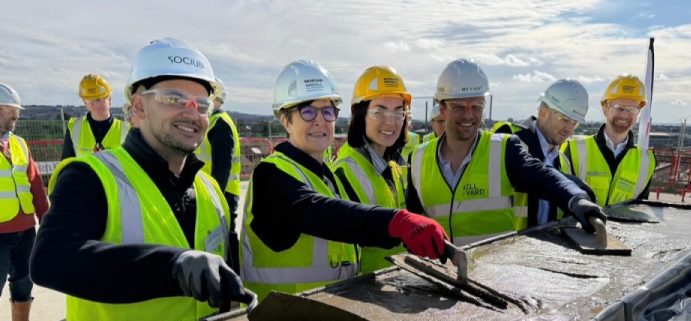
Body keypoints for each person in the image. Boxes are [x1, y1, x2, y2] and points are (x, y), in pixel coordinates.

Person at [31, 38, 250, 321]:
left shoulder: (210, 192)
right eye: (174, 99)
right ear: (138, 107)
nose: (192, 112)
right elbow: (50, 260)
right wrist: (173, 265)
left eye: (203, 104)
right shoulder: (90, 177)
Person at [241, 60, 448, 299]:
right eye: (307, 111)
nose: (320, 121)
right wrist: (396, 222)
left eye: (327, 112)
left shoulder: (325, 178)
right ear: (285, 120)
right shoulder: (270, 174)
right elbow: (316, 211)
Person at [406, 58, 607, 246]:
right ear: (441, 108)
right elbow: (414, 221)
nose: (469, 115)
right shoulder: (418, 157)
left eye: (476, 106)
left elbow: (543, 176)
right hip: (438, 273)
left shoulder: (503, 149)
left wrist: (576, 199)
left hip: (490, 275)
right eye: (458, 107)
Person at [331, 65, 409, 273]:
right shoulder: (344, 171)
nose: (390, 121)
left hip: (391, 286)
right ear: (360, 114)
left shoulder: (393, 167)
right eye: (379, 111)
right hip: (362, 291)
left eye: (398, 112)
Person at [493, 79, 595, 227]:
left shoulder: (563, 161)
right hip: (506, 244)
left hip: (545, 246)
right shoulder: (511, 142)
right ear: (543, 112)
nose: (569, 129)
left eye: (574, 123)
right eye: (565, 119)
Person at [561, 75, 657, 206]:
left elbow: (639, 209)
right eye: (618, 107)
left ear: (638, 112)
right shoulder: (573, 149)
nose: (624, 115)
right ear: (605, 107)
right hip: (578, 226)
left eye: (632, 109)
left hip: (623, 227)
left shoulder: (646, 161)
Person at [0, 83, 48, 321]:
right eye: (12, 110)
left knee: (23, 286)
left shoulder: (19, 143)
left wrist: (46, 221)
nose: (17, 114)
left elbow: (36, 184)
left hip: (25, 232)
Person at [195, 77, 242, 273]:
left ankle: (232, 281)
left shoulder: (220, 124)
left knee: (223, 237)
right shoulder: (213, 121)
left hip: (221, 193)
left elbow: (222, 168)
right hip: (212, 192)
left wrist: (215, 197)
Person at [61, 73, 129, 159]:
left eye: (99, 99)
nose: (96, 105)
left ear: (109, 99)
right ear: (85, 103)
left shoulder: (126, 130)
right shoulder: (74, 128)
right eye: (90, 101)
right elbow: (66, 164)